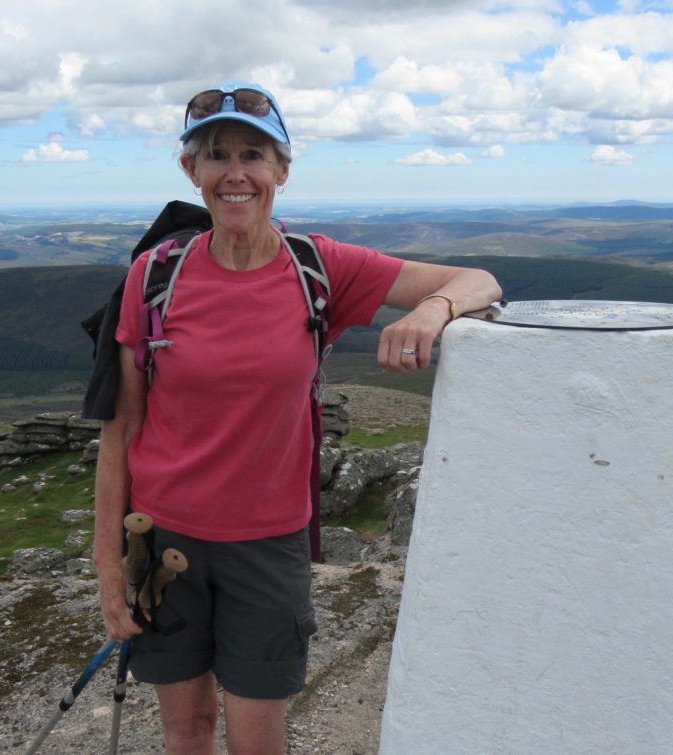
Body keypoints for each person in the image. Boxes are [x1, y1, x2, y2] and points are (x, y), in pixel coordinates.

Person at [93, 81, 501, 754]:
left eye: (253, 154)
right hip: (162, 538)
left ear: (281, 169)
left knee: (257, 737)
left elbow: (477, 281)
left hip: (268, 542)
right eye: (215, 154)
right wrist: (110, 570)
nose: (234, 172)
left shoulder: (317, 267)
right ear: (190, 171)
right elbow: (121, 431)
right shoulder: (152, 276)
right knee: (184, 728)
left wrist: (432, 311)